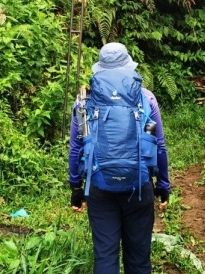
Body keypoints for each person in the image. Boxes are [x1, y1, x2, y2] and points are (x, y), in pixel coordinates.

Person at [68, 42, 171, 274]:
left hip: (99, 187)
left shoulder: (84, 101)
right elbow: (159, 145)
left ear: (100, 69)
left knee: (105, 256)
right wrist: (162, 185)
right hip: (139, 185)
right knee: (139, 259)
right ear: (128, 66)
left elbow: (76, 148)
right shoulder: (146, 99)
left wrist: (75, 187)